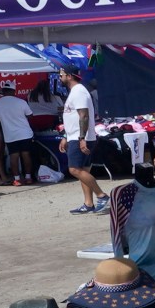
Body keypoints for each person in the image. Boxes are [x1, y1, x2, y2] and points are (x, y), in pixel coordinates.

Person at [58, 64, 107, 214]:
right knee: (84, 170)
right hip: (76, 136)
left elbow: (83, 116)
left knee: (74, 169)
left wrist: (81, 138)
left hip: (81, 137)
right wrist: (66, 136)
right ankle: (88, 203)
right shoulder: (75, 91)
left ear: (69, 76)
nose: (60, 77)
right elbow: (73, 117)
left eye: (61, 75)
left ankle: (102, 195)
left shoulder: (79, 91)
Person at [0, 85, 38, 186]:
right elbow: (30, 115)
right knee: (26, 155)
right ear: (14, 91)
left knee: (14, 156)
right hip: (25, 133)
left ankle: (17, 179)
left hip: (10, 134)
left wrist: (5, 123)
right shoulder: (21, 102)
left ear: (3, 91)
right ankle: (28, 177)